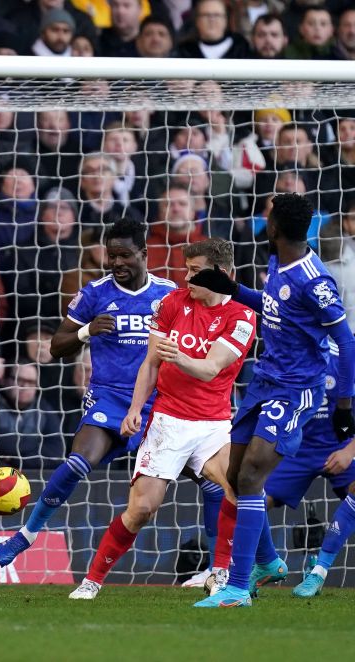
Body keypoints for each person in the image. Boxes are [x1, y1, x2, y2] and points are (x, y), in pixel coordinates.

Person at [191, 193, 355, 608]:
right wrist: (232, 289)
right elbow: (273, 307)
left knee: (250, 478)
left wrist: (343, 404)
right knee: (232, 475)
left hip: (296, 388)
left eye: (268, 219)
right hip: (264, 380)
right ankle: (266, 561)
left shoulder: (316, 281)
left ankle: (236, 588)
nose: (264, 224)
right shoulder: (276, 262)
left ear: (277, 227)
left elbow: (345, 341)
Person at [69, 239, 254, 599]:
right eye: (187, 270)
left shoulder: (243, 315)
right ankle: (91, 581)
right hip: (168, 420)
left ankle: (222, 572)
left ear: (221, 275)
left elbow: (210, 368)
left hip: (213, 425)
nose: (186, 278)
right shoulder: (171, 304)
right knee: (141, 509)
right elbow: (151, 362)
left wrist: (178, 356)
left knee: (238, 487)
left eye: (196, 272)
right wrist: (136, 408)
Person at [0, 218, 177, 567]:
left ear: (143, 253)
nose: (117, 263)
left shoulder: (168, 294)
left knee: (211, 477)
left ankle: (233, 565)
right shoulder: (95, 293)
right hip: (109, 396)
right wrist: (86, 332)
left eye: (124, 255)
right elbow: (56, 345)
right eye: (111, 256)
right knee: (78, 461)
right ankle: (26, 535)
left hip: (159, 401)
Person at [254, 347, 355, 598]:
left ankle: (318, 573)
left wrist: (349, 452)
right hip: (296, 449)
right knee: (250, 499)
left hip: (340, 446)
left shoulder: (344, 356)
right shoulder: (286, 354)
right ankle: (255, 566)